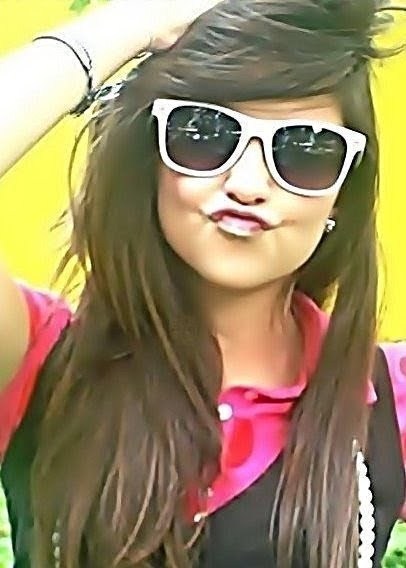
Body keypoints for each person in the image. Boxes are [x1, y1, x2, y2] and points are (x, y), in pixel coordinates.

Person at [0, 0, 405, 566]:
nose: (249, 184)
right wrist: (131, 24)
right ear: (150, 158)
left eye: (305, 150)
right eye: (204, 132)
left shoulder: (386, 397)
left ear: (341, 194)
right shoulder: (39, 359)